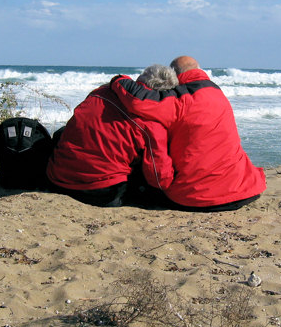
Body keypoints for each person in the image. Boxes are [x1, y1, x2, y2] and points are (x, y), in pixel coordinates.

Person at [109, 55, 266, 211]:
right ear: (199, 69)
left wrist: (119, 79)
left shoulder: (179, 99)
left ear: (174, 74)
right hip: (246, 190)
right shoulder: (218, 93)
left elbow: (138, 101)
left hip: (197, 197)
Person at [45, 64, 177, 207]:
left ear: (140, 79)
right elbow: (159, 179)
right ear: (164, 95)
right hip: (101, 191)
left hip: (58, 178)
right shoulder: (153, 123)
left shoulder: (101, 91)